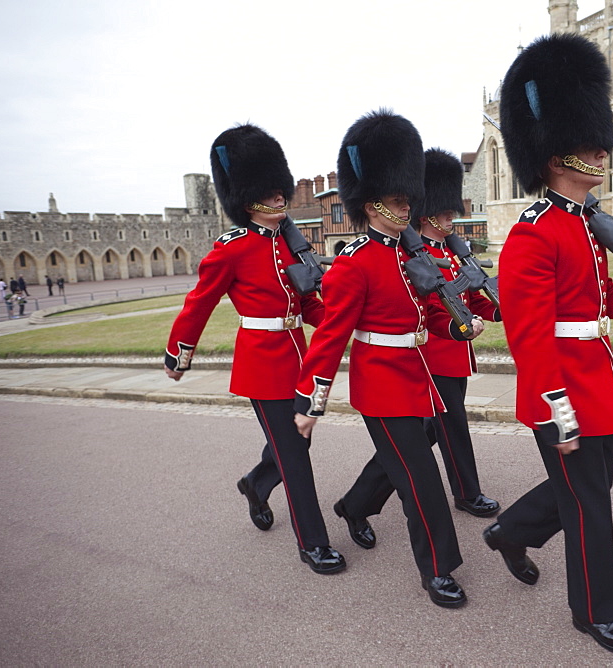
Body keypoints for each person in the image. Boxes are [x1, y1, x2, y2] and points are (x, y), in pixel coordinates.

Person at [486, 34, 613, 655]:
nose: (598, 150)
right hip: (563, 391)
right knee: (589, 509)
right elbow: (527, 335)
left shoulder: (586, 226)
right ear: (551, 154)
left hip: (596, 379)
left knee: (587, 492)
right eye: (584, 143)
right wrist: (559, 406)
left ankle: (509, 532)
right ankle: (596, 614)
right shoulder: (532, 235)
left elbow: (601, 302)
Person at [294, 110, 481, 608]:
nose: (408, 204)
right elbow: (330, 336)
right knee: (422, 478)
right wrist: (311, 401)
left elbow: (426, 317)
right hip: (381, 385)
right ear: (372, 202)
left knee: (406, 458)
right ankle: (438, 570)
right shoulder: (355, 261)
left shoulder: (408, 254)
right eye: (399, 198)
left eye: (407, 196)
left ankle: (354, 506)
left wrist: (458, 325)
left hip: (417, 374)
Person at [164, 123, 345, 576]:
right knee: (296, 454)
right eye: (271, 191)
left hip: (297, 356)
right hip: (261, 363)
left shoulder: (288, 242)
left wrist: (343, 327)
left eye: (280, 188)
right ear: (248, 198)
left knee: (293, 443)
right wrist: (180, 352)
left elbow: (305, 303)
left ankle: (255, 483)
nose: (281, 197)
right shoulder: (231, 248)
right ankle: (313, 544)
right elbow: (199, 302)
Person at [413, 149, 501, 516]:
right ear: (428, 213)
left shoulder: (450, 253)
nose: (452, 216)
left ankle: (360, 499)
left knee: (427, 435)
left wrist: (498, 309)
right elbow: (433, 310)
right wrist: (456, 328)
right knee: (453, 428)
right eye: (446, 211)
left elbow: (466, 299)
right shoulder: (418, 256)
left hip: (456, 354)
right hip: (437, 354)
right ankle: (467, 493)